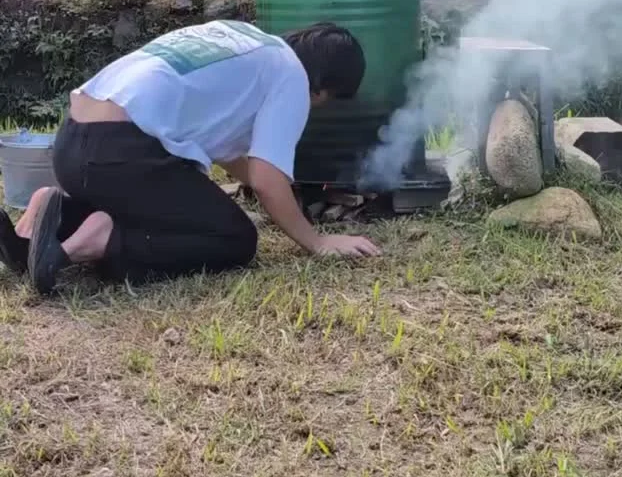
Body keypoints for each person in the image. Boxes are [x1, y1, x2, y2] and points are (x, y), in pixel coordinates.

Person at [0, 19, 381, 295]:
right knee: (233, 238)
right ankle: (99, 236)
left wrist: (282, 188)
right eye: (326, 102)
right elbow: (267, 180)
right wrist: (317, 241)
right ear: (323, 87)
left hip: (74, 146)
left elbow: (231, 156)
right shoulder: (293, 77)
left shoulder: (242, 38)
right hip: (121, 153)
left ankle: (46, 217)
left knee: (187, 210)